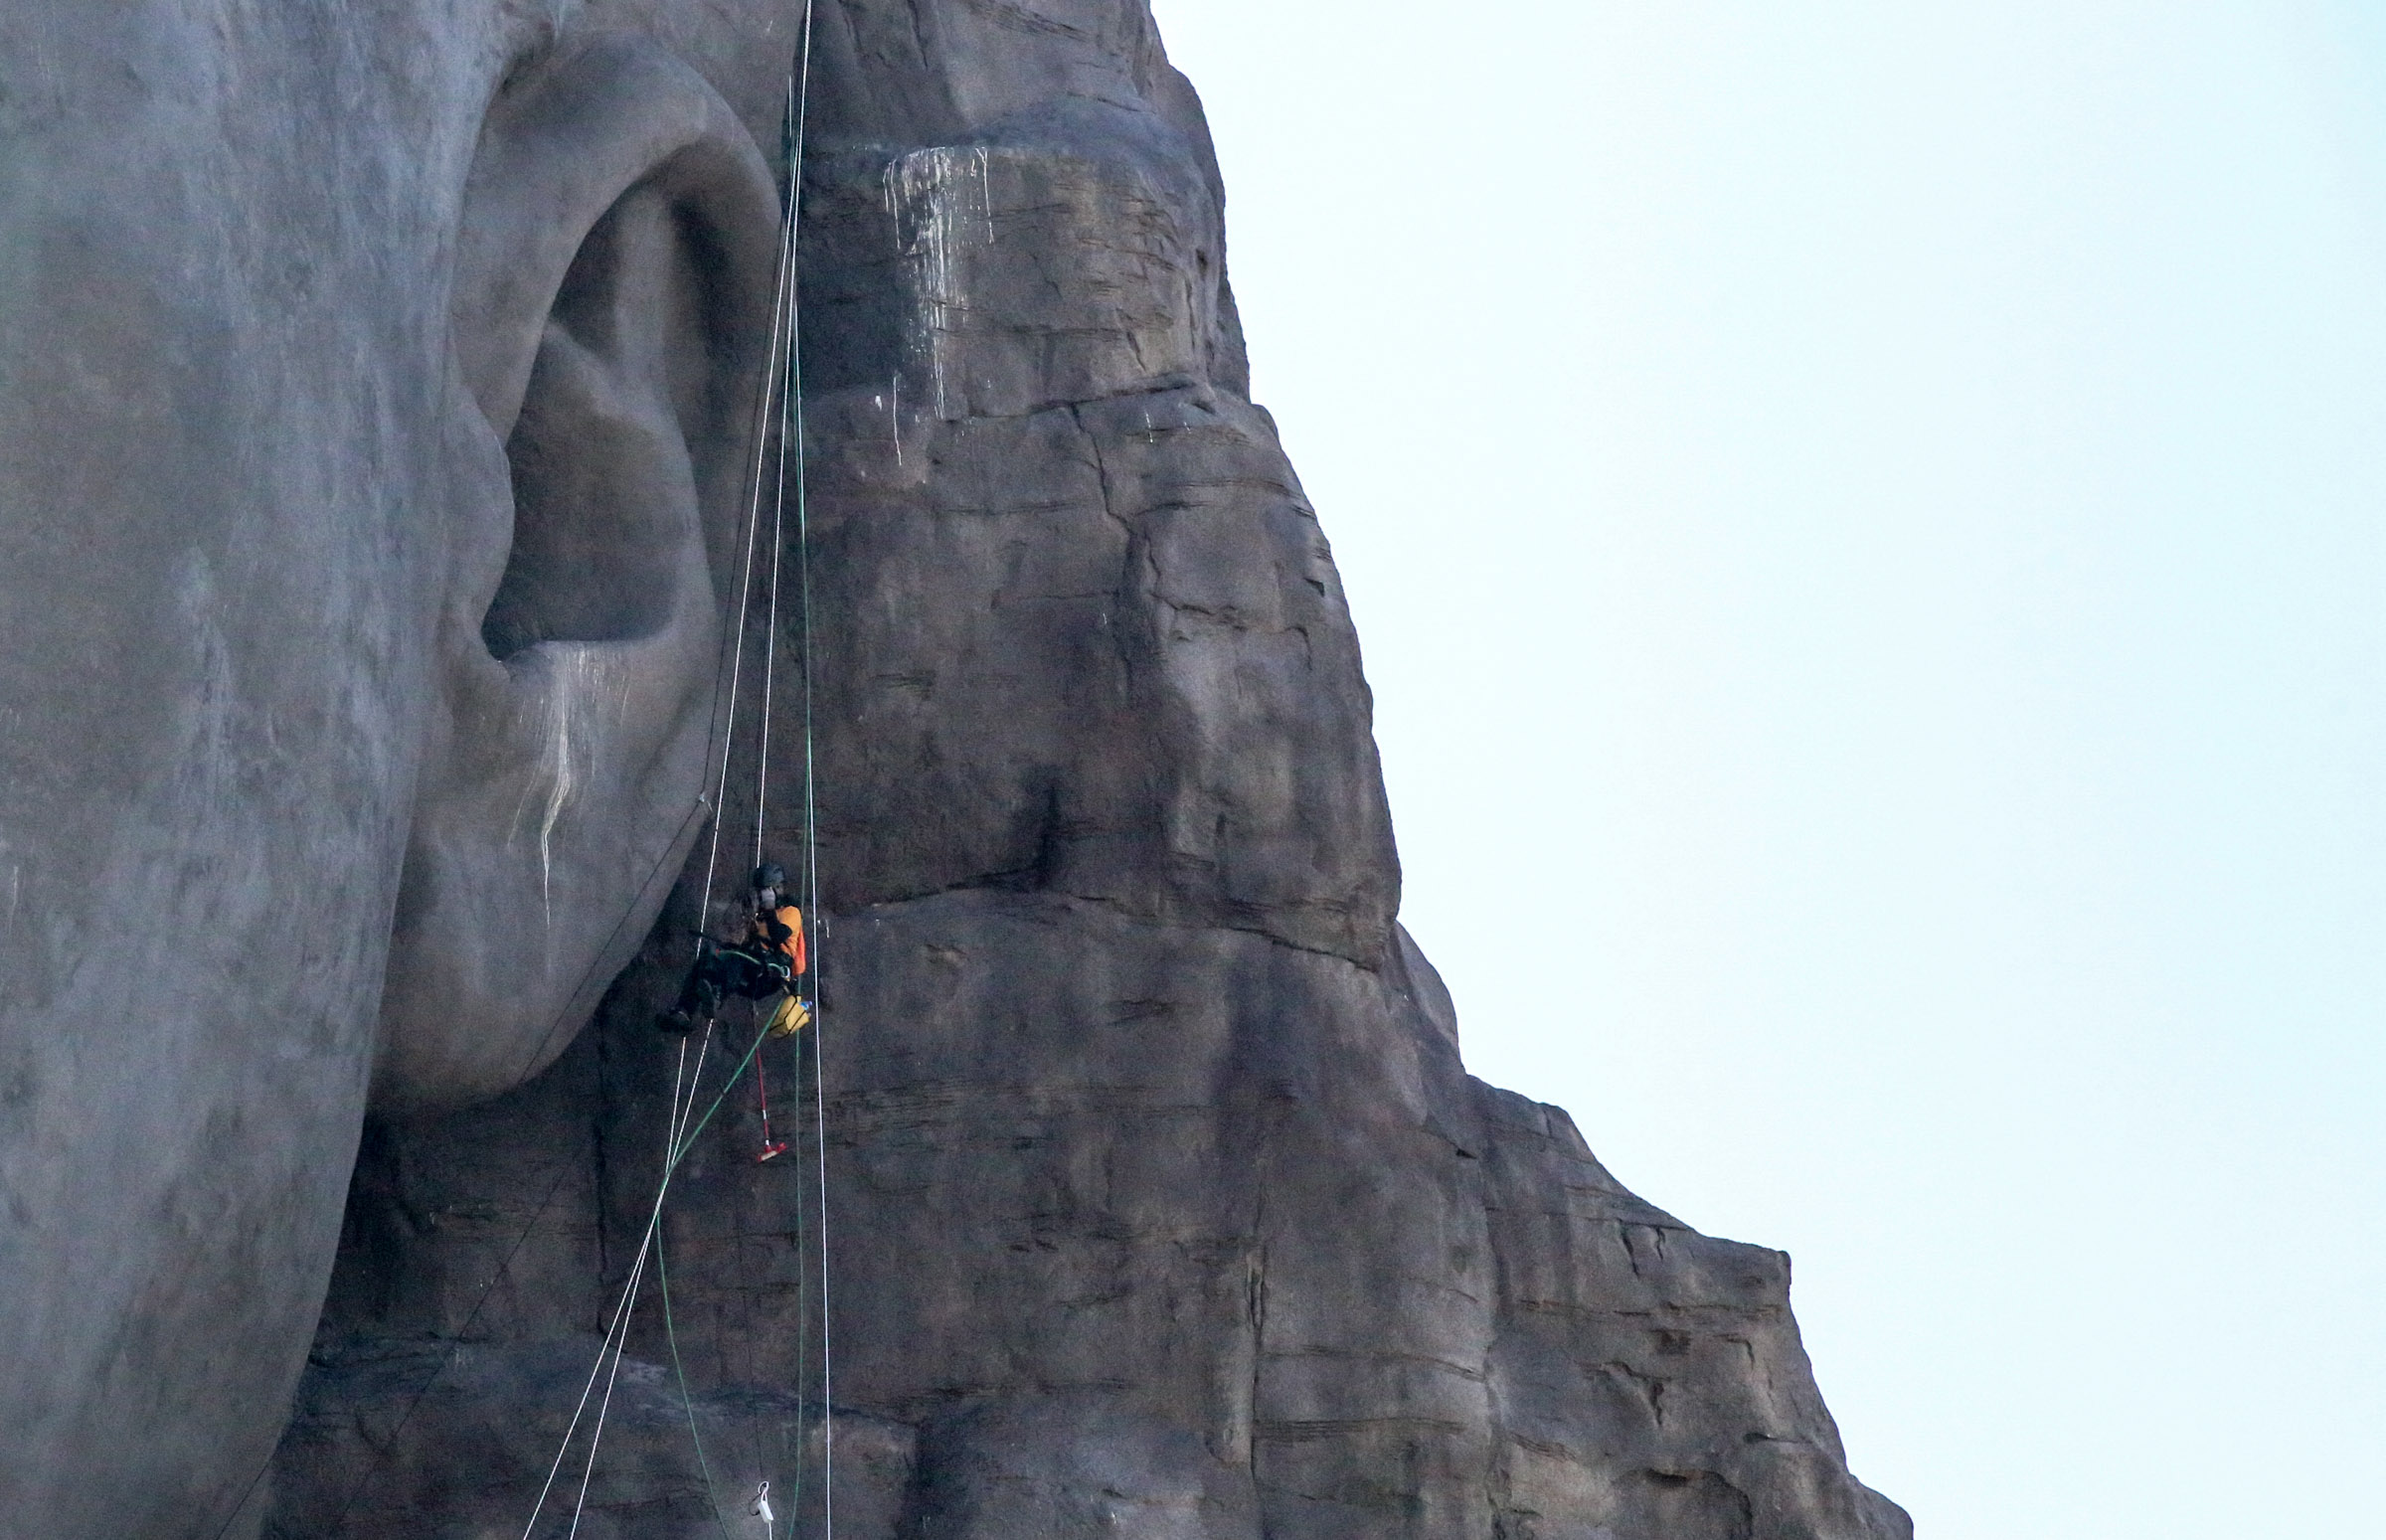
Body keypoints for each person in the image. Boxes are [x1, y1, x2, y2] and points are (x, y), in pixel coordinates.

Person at [659, 862, 807, 1033]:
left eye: (764, 892)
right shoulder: (761, 918)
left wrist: (768, 909)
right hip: (753, 970)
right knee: (708, 957)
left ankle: (717, 994)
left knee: (738, 958)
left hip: (772, 973)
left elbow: (778, 935)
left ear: (776, 889)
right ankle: (684, 1012)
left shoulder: (791, 912)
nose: (760, 896)